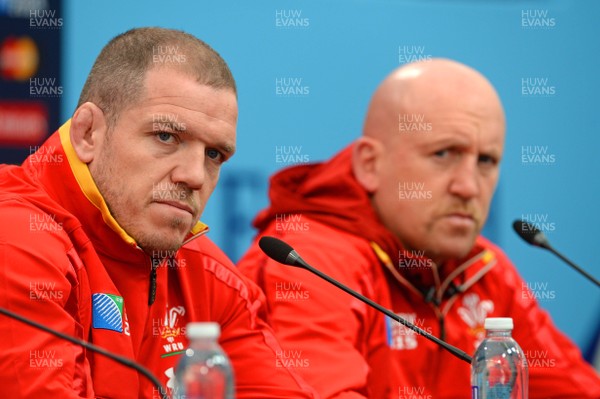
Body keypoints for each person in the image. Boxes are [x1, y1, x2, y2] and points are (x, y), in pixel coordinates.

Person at [237, 58, 600, 398]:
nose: (469, 186)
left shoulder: (485, 270)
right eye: (443, 154)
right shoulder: (308, 262)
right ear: (370, 164)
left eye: (486, 160)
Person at [0, 27, 318, 399]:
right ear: (88, 134)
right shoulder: (16, 242)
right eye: (166, 137)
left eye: (213, 154)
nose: (194, 176)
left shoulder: (209, 277)